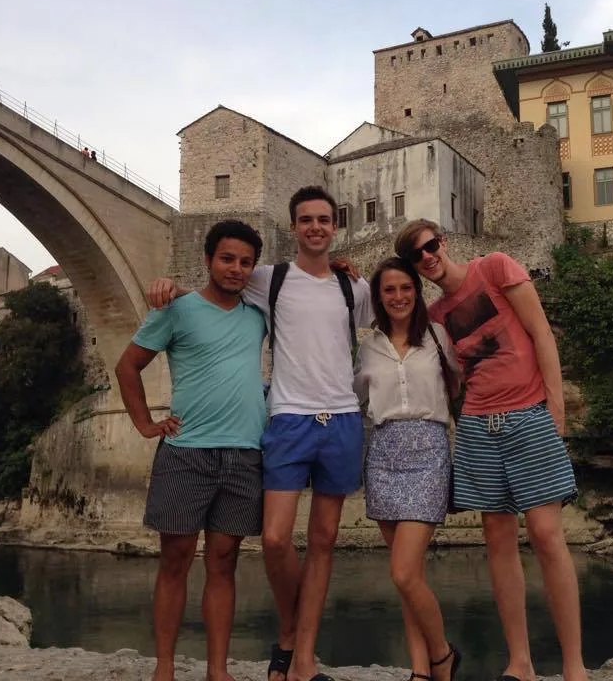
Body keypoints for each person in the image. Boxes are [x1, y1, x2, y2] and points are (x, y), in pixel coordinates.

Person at [148, 186, 373, 681]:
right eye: (306, 220)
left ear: (335, 226)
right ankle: (290, 630)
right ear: (292, 228)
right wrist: (170, 287)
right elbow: (216, 289)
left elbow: (394, 320)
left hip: (342, 419)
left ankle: (302, 656)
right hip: (288, 418)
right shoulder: (267, 279)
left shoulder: (351, 288)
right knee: (273, 540)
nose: (316, 227)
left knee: (324, 541)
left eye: (325, 220)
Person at [394, 220, 587, 681]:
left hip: (528, 414)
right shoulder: (437, 316)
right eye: (417, 254)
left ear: (444, 240)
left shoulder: (497, 268)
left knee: (545, 535)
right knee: (498, 543)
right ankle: (520, 663)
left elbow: (542, 334)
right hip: (479, 426)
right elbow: (451, 376)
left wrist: (555, 411)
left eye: (431, 245)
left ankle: (574, 666)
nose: (428, 256)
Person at [115, 219, 268, 681]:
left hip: (244, 454)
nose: (236, 269)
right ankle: (164, 668)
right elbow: (128, 367)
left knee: (224, 564)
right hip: (187, 454)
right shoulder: (175, 310)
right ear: (208, 260)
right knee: (176, 561)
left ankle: (217, 671)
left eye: (245, 262)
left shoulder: (259, 313)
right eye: (227, 258)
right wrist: (145, 425)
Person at [353, 257, 462, 681]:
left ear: (416, 293)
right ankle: (419, 670)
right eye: (389, 290)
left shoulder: (437, 337)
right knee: (408, 576)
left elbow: (460, 381)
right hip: (382, 454)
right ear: (379, 298)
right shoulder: (368, 347)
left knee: (402, 570)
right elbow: (358, 402)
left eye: (405, 288)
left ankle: (441, 655)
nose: (398, 296)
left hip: (429, 451)